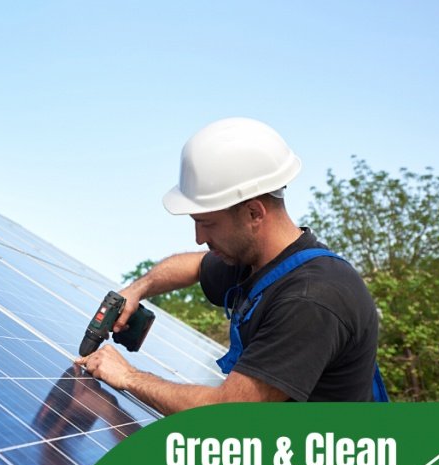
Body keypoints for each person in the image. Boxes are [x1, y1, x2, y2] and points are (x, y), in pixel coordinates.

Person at [74, 117, 388, 415]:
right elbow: (196, 266)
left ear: (254, 213)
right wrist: (137, 289)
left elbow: (230, 413)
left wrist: (128, 377)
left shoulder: (310, 298)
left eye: (207, 223)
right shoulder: (260, 262)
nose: (198, 238)